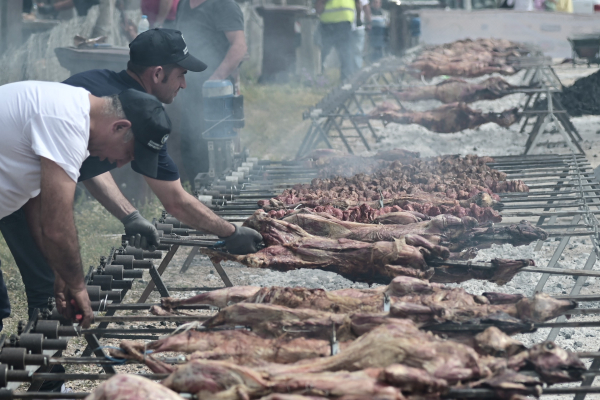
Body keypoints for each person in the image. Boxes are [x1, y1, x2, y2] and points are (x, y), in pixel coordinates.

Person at [0, 28, 262, 330]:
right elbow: (57, 222)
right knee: (39, 293)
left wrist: (128, 216)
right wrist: (230, 232)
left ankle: (45, 368)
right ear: (158, 73)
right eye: (180, 74)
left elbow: (67, 175)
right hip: (20, 197)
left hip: (19, 191)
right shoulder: (73, 117)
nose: (121, 163)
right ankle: (43, 362)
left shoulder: (93, 106)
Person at [0, 82, 171, 332]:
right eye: (129, 153)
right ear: (120, 127)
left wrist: (62, 270)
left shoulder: (71, 111)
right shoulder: (67, 123)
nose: (121, 163)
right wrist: (78, 286)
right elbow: (56, 226)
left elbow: (37, 207)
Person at [175, 0, 247, 183]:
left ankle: (220, 202)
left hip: (215, 95)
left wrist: (215, 79)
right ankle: (199, 199)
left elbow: (239, 46)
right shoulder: (184, 4)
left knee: (215, 154)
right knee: (190, 148)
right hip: (188, 90)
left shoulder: (223, 4)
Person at [316, 0, 357, 82]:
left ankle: (315, 76)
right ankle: (347, 81)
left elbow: (319, 4)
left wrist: (318, 11)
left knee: (322, 52)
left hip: (328, 22)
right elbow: (359, 3)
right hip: (344, 22)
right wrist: (359, 19)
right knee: (346, 54)